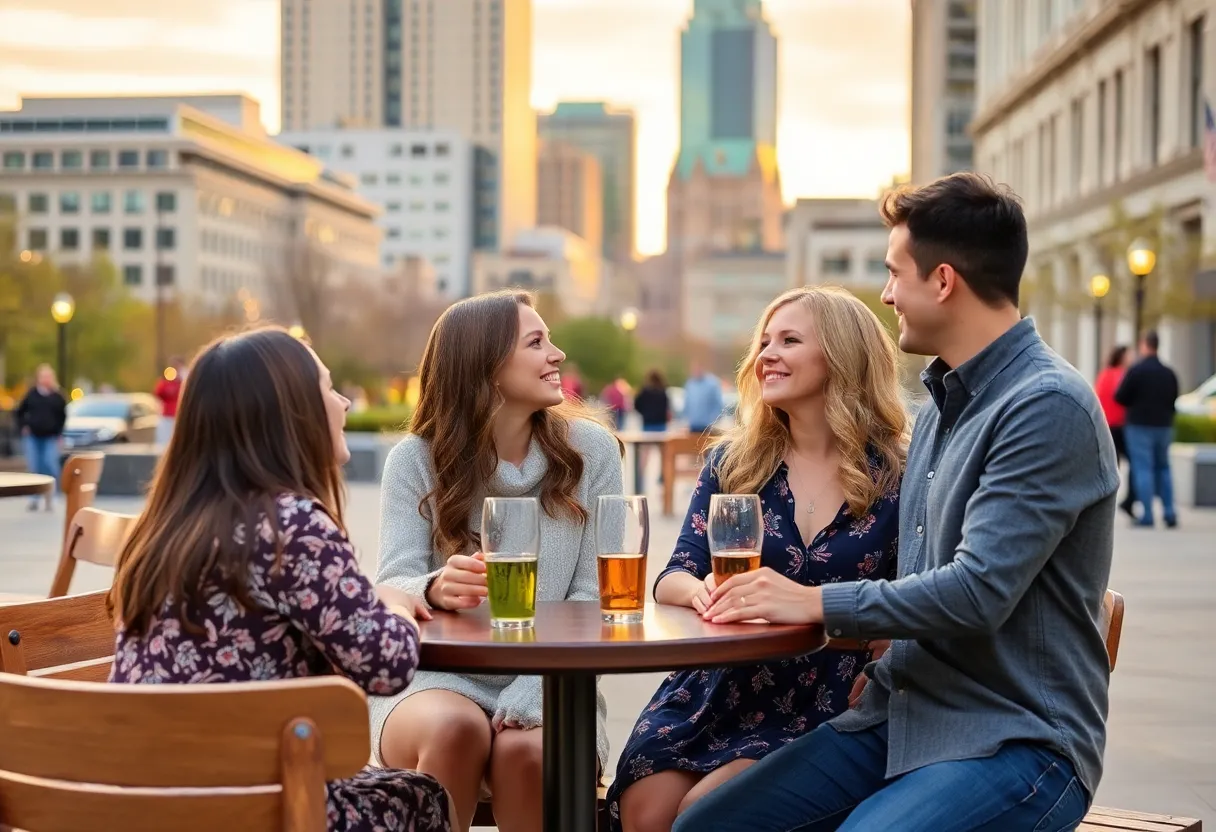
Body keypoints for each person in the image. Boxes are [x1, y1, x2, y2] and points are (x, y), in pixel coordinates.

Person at [675, 172, 1119, 832]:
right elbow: (921, 580)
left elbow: (976, 593)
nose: (886, 295)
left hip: (1016, 742)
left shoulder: (1044, 405)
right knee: (704, 826)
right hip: (901, 716)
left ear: (942, 281)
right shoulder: (942, 407)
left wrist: (810, 601)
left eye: (893, 273)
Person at [106, 327, 454, 832]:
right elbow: (388, 664)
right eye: (329, 390)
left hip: (146, 802)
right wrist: (397, 604)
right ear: (291, 417)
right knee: (418, 797)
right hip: (249, 807)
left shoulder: (162, 529)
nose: (343, 404)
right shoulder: (289, 526)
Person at [611, 286, 906, 832]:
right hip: (717, 687)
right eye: (764, 341)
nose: (766, 354)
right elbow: (674, 575)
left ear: (842, 355)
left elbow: (919, 595)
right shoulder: (735, 460)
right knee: (643, 809)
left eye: (789, 340)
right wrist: (699, 591)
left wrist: (884, 652)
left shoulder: (898, 473)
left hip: (828, 696)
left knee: (699, 814)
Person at [373, 290, 623, 832]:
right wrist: (435, 587)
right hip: (435, 682)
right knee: (455, 731)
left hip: (556, 676)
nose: (556, 354)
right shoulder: (414, 460)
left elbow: (597, 597)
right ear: (485, 368)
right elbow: (393, 582)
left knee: (525, 755)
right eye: (537, 343)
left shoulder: (592, 453)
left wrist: (542, 681)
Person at [1115, 330, 1180, 528]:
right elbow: (1174, 397)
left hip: (1140, 425)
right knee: (1164, 467)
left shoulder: (1136, 371)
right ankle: (1169, 512)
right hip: (1164, 425)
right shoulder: (1168, 372)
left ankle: (1147, 515)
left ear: (1144, 345)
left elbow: (1120, 396)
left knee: (1143, 468)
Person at [14, 364, 67, 511]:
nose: (46, 379)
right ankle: (34, 499)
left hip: (50, 436)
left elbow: (62, 416)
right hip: (33, 436)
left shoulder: (57, 397)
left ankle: (52, 497)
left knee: (50, 464)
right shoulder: (31, 395)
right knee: (34, 466)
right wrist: (23, 426)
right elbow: (19, 412)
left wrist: (59, 433)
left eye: (48, 376)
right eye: (43, 376)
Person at [1094, 345, 1136, 518]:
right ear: (1121, 357)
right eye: (1129, 355)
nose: (1132, 357)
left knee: (1112, 465)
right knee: (1136, 464)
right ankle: (1130, 499)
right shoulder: (1122, 375)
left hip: (1107, 424)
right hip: (1120, 425)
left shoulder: (1104, 374)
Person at [682, 362, 725, 434]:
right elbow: (687, 404)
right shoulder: (690, 384)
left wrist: (714, 419)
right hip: (693, 425)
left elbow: (718, 404)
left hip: (707, 426)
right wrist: (686, 419)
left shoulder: (712, 384)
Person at [153, 356, 186, 446]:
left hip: (180, 416)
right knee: (164, 441)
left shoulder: (184, 380)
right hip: (167, 416)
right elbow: (158, 394)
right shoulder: (165, 381)